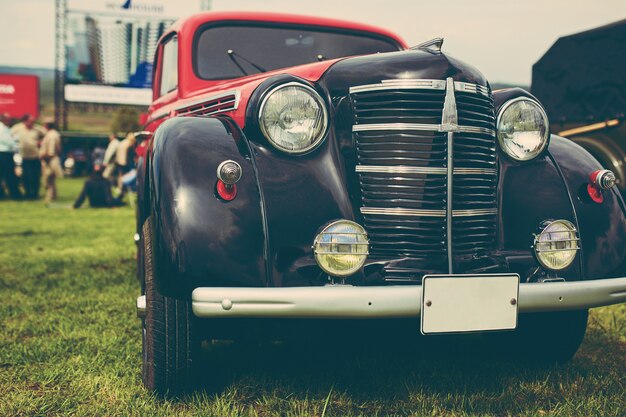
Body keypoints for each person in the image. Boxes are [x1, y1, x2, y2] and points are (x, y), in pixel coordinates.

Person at [11, 114, 42, 199]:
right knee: (26, 176)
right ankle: (27, 193)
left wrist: (41, 142)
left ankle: (35, 193)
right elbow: (9, 134)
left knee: (36, 176)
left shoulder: (37, 129)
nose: (32, 123)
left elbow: (47, 134)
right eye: (30, 121)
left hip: (35, 156)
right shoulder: (18, 128)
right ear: (25, 121)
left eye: (33, 122)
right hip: (25, 157)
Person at [39, 119, 63, 204]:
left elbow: (51, 151)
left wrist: (44, 156)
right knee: (51, 180)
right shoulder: (52, 134)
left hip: (50, 160)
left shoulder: (52, 135)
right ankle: (53, 196)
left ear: (46, 125)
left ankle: (49, 198)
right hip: (50, 159)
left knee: (48, 179)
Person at [0, 113, 21, 199]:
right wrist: (16, 147)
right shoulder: (2, 129)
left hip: (5, 153)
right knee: (9, 174)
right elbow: (9, 142)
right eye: (9, 119)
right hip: (4, 154)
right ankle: (14, 194)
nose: (10, 121)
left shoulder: (6, 128)